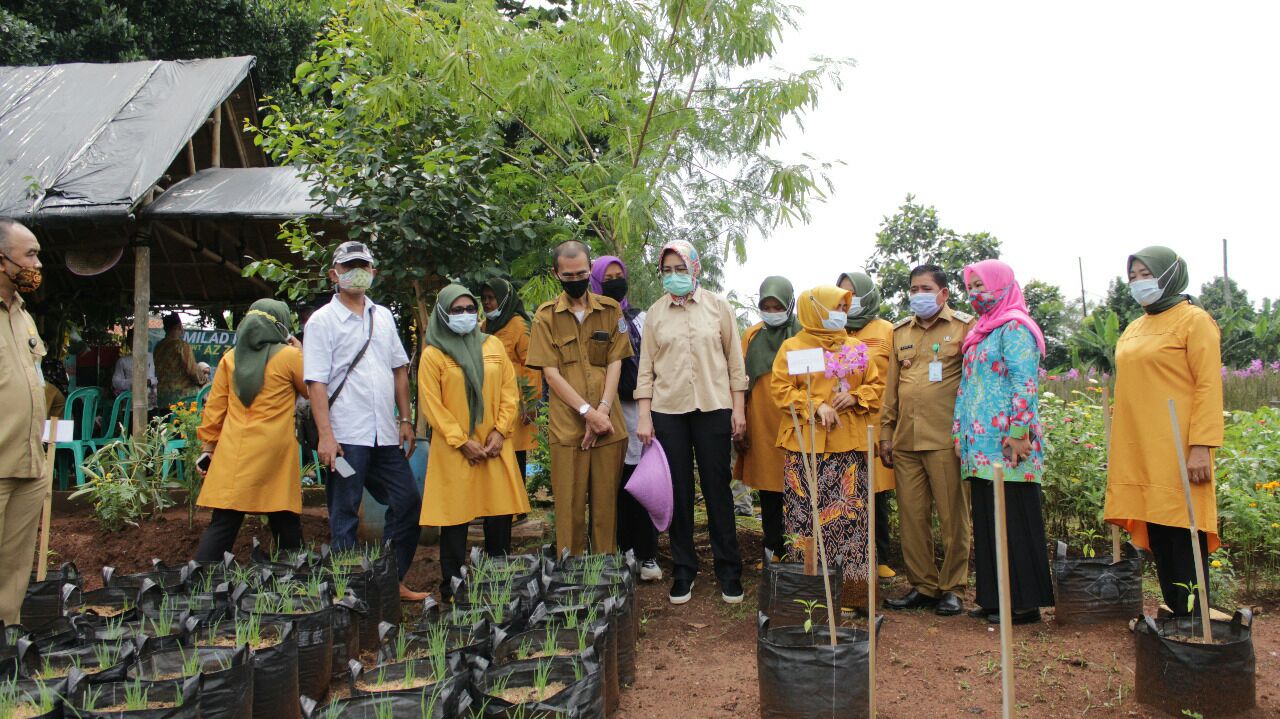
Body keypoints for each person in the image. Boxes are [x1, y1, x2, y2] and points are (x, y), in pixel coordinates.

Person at [304, 240, 427, 601]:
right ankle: (348, 594)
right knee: (345, 514)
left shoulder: (383, 316)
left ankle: (390, 581)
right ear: (334, 274)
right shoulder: (322, 322)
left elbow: (399, 370)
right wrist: (326, 436)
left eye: (362, 266)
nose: (356, 273)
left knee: (407, 503)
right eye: (348, 267)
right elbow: (316, 383)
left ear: (373, 271)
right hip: (345, 435)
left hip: (385, 434)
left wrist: (405, 419)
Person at [1105, 247, 1223, 618]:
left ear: (1170, 275)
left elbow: (1208, 386)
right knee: (1158, 525)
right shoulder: (1136, 325)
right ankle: (1176, 609)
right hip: (1141, 444)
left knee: (1184, 526)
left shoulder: (1194, 320)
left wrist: (1202, 446)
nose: (1139, 283)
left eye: (1146, 274)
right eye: (1134, 276)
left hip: (1179, 444)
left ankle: (1195, 614)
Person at [635, 240, 748, 605]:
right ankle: (684, 570)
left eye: (679, 269)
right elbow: (646, 370)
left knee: (717, 490)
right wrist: (644, 417)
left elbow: (735, 363)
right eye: (666, 271)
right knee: (679, 493)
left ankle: (729, 571)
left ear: (694, 268)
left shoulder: (718, 307)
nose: (673, 277)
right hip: (668, 412)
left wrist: (739, 409)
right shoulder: (655, 313)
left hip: (714, 408)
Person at [770, 286, 884, 610]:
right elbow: (780, 390)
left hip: (848, 446)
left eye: (844, 308)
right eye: (835, 307)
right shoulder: (793, 347)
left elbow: (875, 385)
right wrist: (815, 404)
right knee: (804, 519)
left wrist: (857, 396)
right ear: (814, 310)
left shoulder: (856, 346)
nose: (842, 314)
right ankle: (810, 596)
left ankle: (852, 595)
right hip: (805, 447)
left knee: (849, 518)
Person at [954, 259, 1053, 624]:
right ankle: (994, 599)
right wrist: (957, 433)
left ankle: (1024, 604)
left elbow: (1024, 383)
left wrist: (1018, 433)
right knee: (987, 520)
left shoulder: (1014, 328)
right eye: (972, 287)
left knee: (1014, 518)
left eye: (982, 286)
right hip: (978, 445)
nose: (976, 294)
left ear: (1003, 285)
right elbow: (966, 388)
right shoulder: (980, 332)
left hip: (1010, 444)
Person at [419, 285, 531, 598]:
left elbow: (510, 392)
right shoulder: (433, 354)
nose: (466, 315)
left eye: (470, 308)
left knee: (498, 514)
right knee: (454, 518)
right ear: (443, 313)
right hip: (456, 449)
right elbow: (431, 405)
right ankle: (452, 588)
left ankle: (497, 585)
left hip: (494, 445)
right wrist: (461, 440)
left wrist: (500, 431)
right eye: (457, 310)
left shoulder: (493, 345)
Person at [527, 241, 632, 556]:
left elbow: (616, 362)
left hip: (608, 426)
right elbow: (551, 375)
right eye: (569, 275)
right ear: (556, 273)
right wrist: (588, 413)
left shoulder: (611, 310)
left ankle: (605, 579)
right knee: (569, 509)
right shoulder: (545, 318)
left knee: (605, 509)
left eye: (582, 273)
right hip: (567, 428)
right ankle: (569, 582)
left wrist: (601, 411)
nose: (576, 280)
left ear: (590, 270)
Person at [881, 264, 974, 617]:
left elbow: (972, 385)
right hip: (906, 440)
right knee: (912, 517)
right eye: (913, 288)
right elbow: (892, 388)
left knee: (953, 517)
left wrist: (967, 433)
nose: (918, 294)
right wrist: (886, 433)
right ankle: (923, 586)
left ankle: (953, 587)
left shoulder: (963, 327)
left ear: (943, 293)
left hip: (945, 439)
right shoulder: (899, 332)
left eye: (925, 288)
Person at [193, 300, 307, 561]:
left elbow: (215, 408)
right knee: (284, 518)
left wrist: (208, 448)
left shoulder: (230, 358)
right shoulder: (290, 357)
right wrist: (302, 350)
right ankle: (299, 582)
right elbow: (312, 391)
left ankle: (198, 582)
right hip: (274, 452)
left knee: (224, 521)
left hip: (236, 452)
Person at [590, 255, 661, 581]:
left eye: (620, 275)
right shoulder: (590, 318)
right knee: (610, 485)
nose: (615, 281)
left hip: (636, 411)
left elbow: (653, 360)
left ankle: (646, 554)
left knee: (639, 482)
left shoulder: (640, 317)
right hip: (600, 412)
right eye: (609, 277)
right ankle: (614, 555)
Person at [0, 218, 48, 624]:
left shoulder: (23, 317)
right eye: (30, 255)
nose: (38, 264)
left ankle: (6, 642)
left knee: (15, 569)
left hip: (29, 465)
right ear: (2, 261)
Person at [734, 276, 800, 561]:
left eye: (778, 306)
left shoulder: (804, 334)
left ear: (790, 304)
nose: (772, 312)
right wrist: (741, 420)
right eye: (767, 306)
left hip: (795, 422)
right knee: (770, 489)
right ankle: (773, 550)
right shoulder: (751, 335)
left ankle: (799, 552)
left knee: (799, 488)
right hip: (761, 422)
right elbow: (741, 378)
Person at [838, 270, 898, 580]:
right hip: (844, 425)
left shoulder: (886, 330)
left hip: (877, 421)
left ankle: (881, 557)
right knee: (848, 493)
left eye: (854, 294)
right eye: (843, 295)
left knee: (877, 491)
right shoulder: (835, 332)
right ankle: (851, 560)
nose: (849, 301)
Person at [480, 278, 540, 481]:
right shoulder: (483, 326)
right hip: (490, 401)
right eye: (484, 298)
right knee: (494, 449)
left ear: (504, 299)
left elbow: (532, 365)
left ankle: (517, 508)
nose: (487, 303)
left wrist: (530, 402)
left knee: (514, 452)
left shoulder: (519, 326)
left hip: (517, 401)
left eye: (491, 298)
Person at [154, 313, 205, 408]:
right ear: (179, 327)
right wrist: (204, 380)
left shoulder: (158, 347)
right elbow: (193, 371)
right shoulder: (181, 345)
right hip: (182, 400)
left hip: (163, 399)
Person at [111, 329, 157, 410]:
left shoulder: (152, 357)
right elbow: (115, 382)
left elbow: (159, 377)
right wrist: (133, 382)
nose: (137, 343)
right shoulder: (123, 361)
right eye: (133, 340)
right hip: (130, 406)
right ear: (128, 343)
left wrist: (151, 381)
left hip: (150, 404)